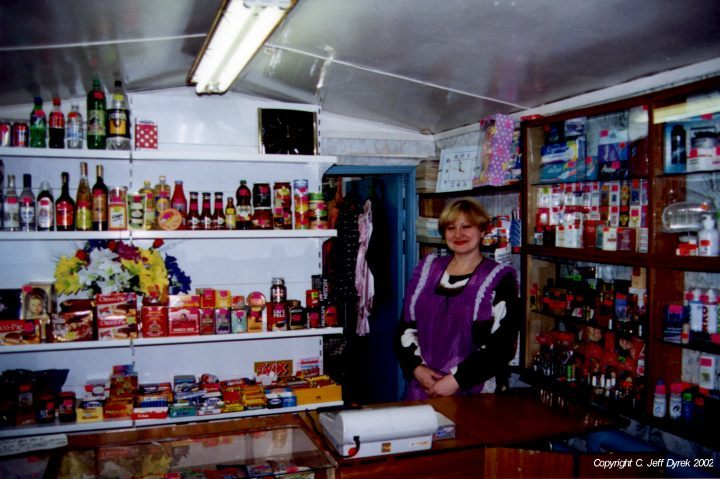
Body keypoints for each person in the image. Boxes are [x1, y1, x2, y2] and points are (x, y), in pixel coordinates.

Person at [395, 197, 519, 399]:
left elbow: (502, 345)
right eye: (451, 228)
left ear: (482, 231)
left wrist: (456, 380)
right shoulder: (428, 271)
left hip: (473, 392)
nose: (458, 234)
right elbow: (405, 327)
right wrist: (417, 369)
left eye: (466, 226)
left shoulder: (499, 278)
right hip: (425, 387)